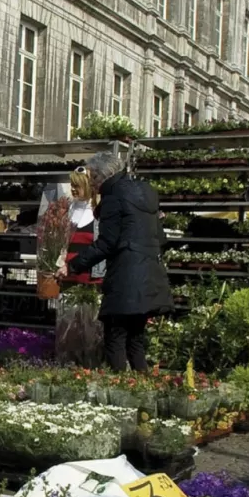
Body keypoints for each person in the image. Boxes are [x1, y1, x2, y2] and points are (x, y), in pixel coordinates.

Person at [64, 151, 172, 372]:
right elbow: (161, 238)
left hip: (125, 278)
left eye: (93, 178)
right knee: (136, 339)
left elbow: (106, 243)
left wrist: (72, 266)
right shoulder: (145, 193)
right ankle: (142, 391)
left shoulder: (113, 198)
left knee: (115, 336)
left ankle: (121, 390)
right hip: (149, 275)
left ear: (101, 177)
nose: (92, 183)